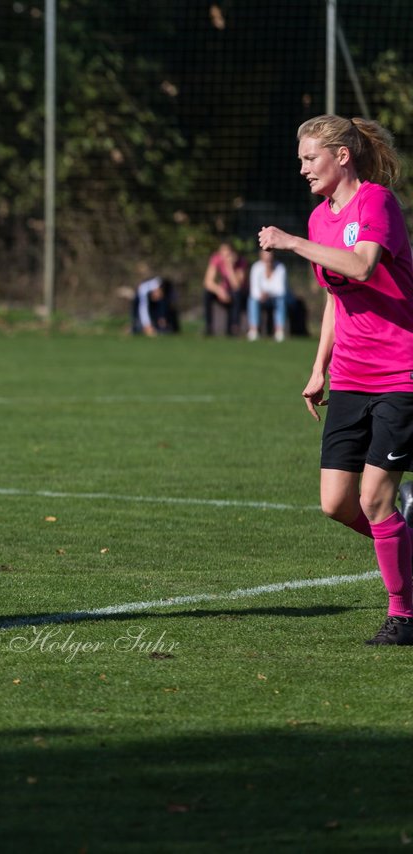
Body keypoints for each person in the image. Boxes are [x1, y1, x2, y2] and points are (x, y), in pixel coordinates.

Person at [258, 114, 413, 645]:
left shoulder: (377, 203)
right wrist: (320, 366)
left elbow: (364, 266)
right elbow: (335, 297)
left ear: (341, 156)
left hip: (401, 372)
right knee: (335, 504)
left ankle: (404, 615)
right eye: (301, 160)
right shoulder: (320, 218)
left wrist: (294, 243)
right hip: (350, 375)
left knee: (374, 500)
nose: (302, 169)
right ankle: (404, 539)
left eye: (310, 159)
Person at [202, 240, 248, 336]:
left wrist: (229, 267)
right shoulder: (216, 259)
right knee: (207, 293)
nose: (225, 254)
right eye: (223, 251)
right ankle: (208, 326)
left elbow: (236, 286)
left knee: (236, 294)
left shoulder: (241, 262)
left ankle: (234, 327)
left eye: (228, 251)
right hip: (223, 291)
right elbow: (207, 282)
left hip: (238, 293)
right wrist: (219, 291)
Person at [247, 247, 288, 342]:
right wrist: (261, 295)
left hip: (274, 299)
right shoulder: (256, 268)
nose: (268, 257)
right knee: (252, 300)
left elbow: (281, 290)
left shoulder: (280, 268)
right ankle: (254, 330)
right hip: (260, 299)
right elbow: (254, 290)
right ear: (261, 255)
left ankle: (279, 330)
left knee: (281, 300)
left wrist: (267, 293)